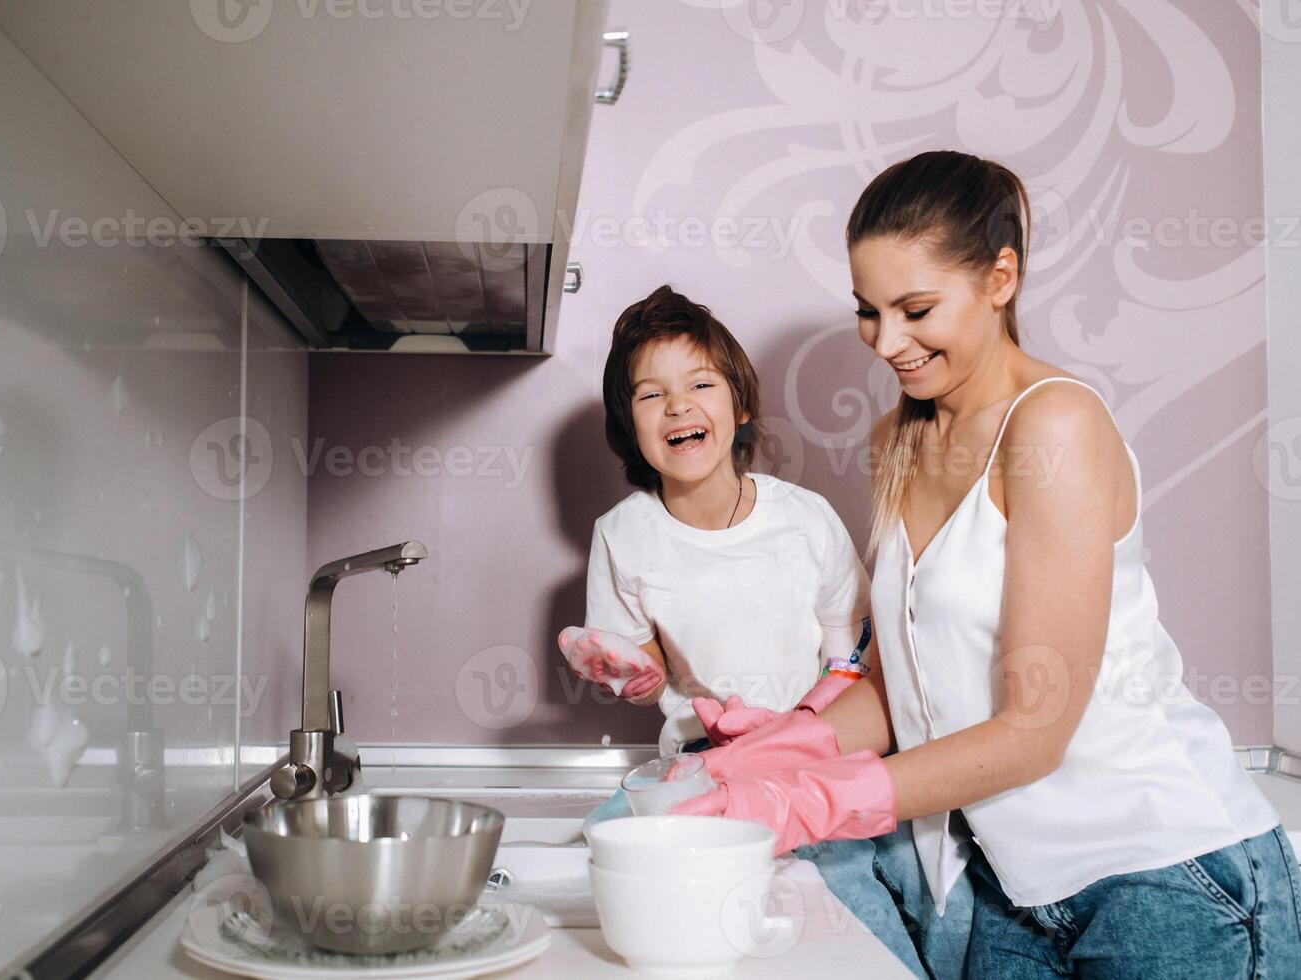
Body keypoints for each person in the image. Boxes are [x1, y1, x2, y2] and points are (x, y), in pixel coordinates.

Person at [676, 150, 1301, 978]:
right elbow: (913, 692)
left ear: (1000, 277)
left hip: (1171, 878)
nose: (886, 342)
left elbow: (1034, 731)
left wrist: (814, 800)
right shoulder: (897, 442)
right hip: (1016, 886)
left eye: (915, 308)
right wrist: (787, 745)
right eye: (868, 311)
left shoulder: (1054, 427)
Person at [557, 285, 972, 979]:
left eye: (699, 384)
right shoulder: (621, 536)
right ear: (629, 426)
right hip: (721, 776)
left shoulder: (804, 520)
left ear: (739, 404)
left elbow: (859, 656)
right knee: (861, 934)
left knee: (949, 923)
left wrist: (804, 731)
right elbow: (641, 670)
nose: (678, 405)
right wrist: (638, 674)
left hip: (833, 758)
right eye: (650, 395)